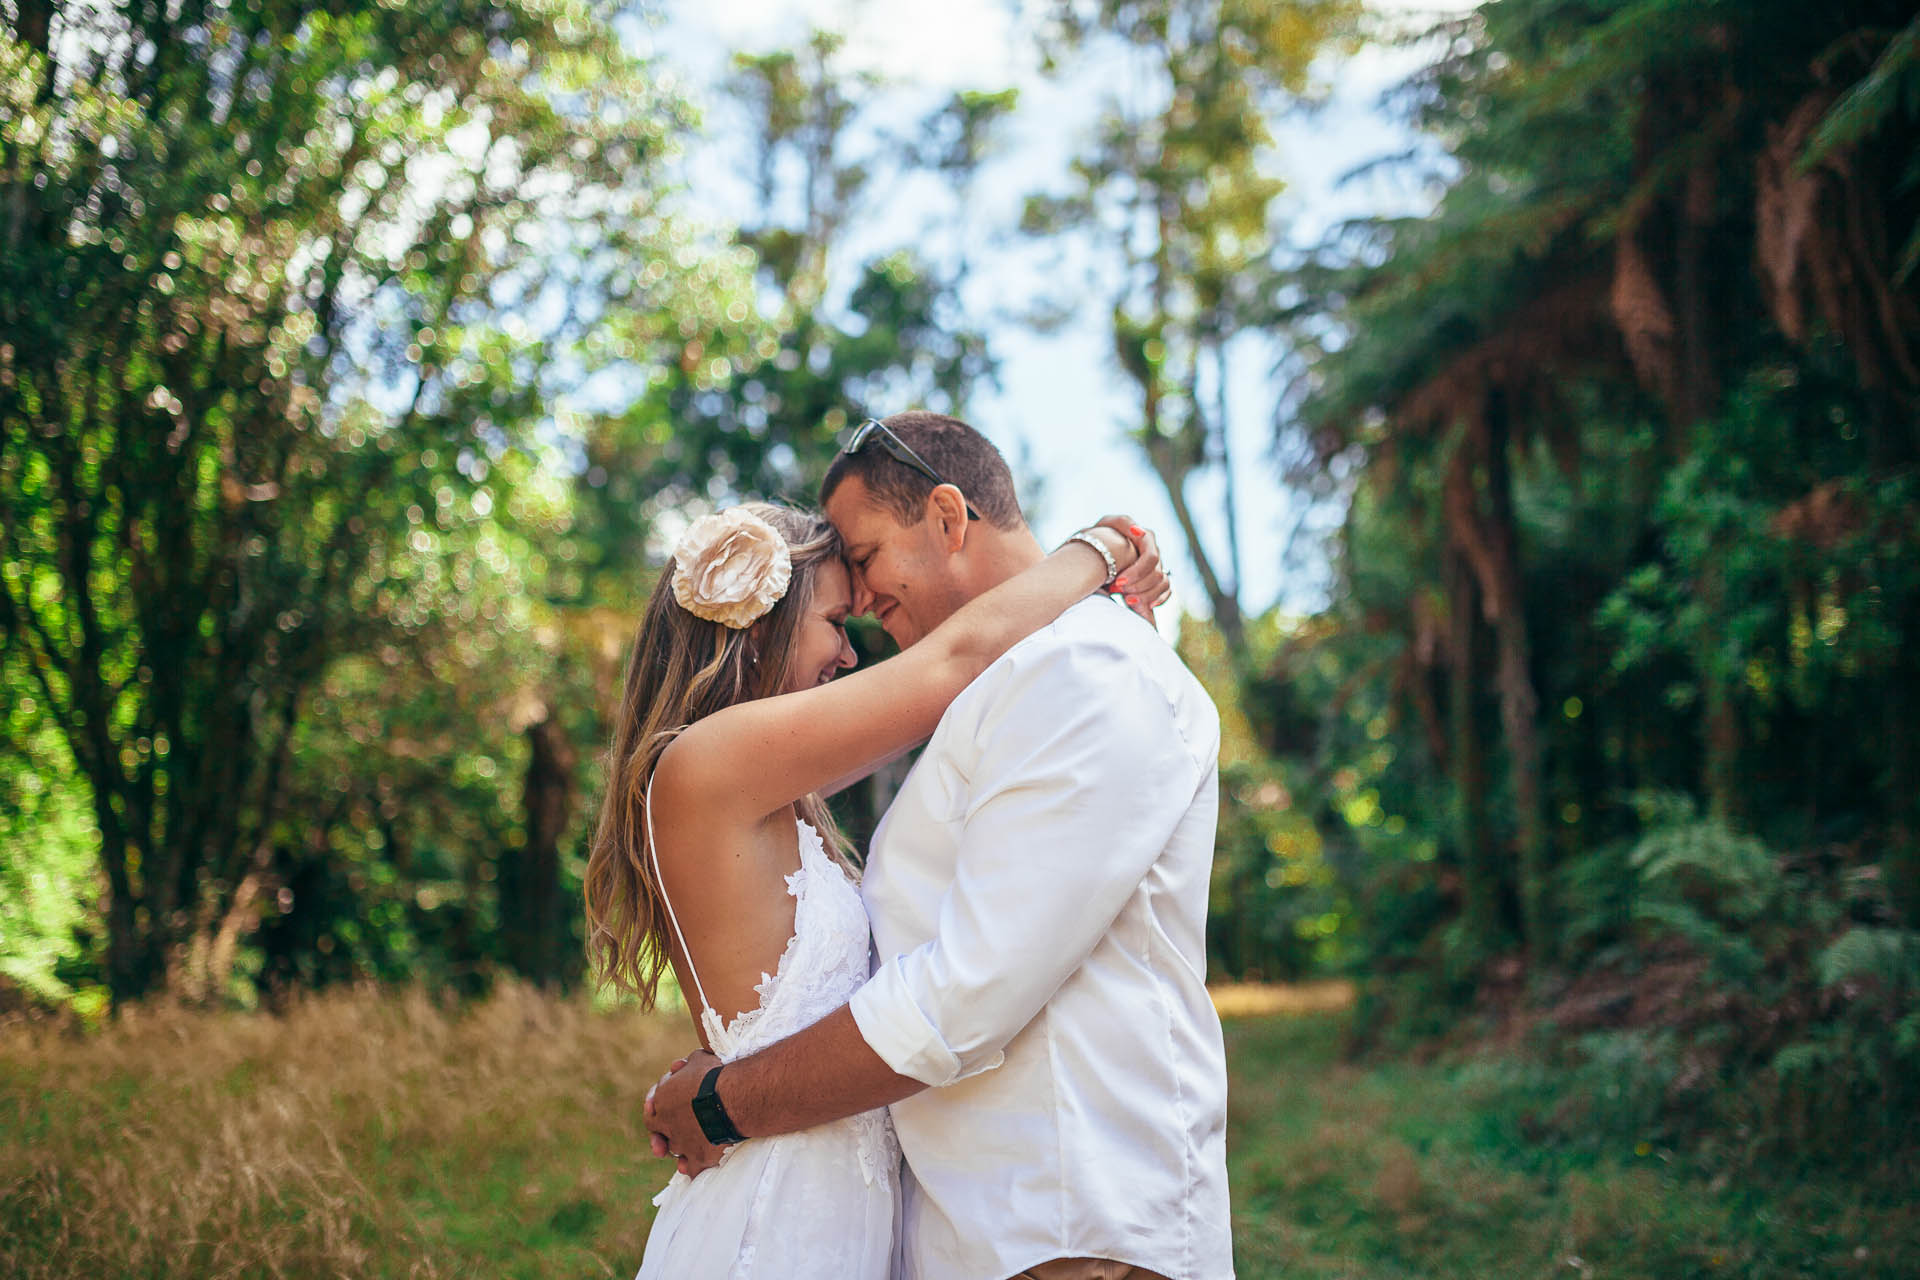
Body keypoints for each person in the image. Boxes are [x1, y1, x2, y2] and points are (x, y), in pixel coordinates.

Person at [645, 412, 1234, 1280]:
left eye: (868, 563)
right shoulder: (726, 767)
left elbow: (965, 992)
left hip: (1068, 1231)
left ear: (951, 518)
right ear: (761, 626)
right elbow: (953, 661)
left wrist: (729, 1096)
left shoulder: (1084, 668)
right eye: (836, 617)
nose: (859, 643)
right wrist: (1104, 546)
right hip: (946, 1232)